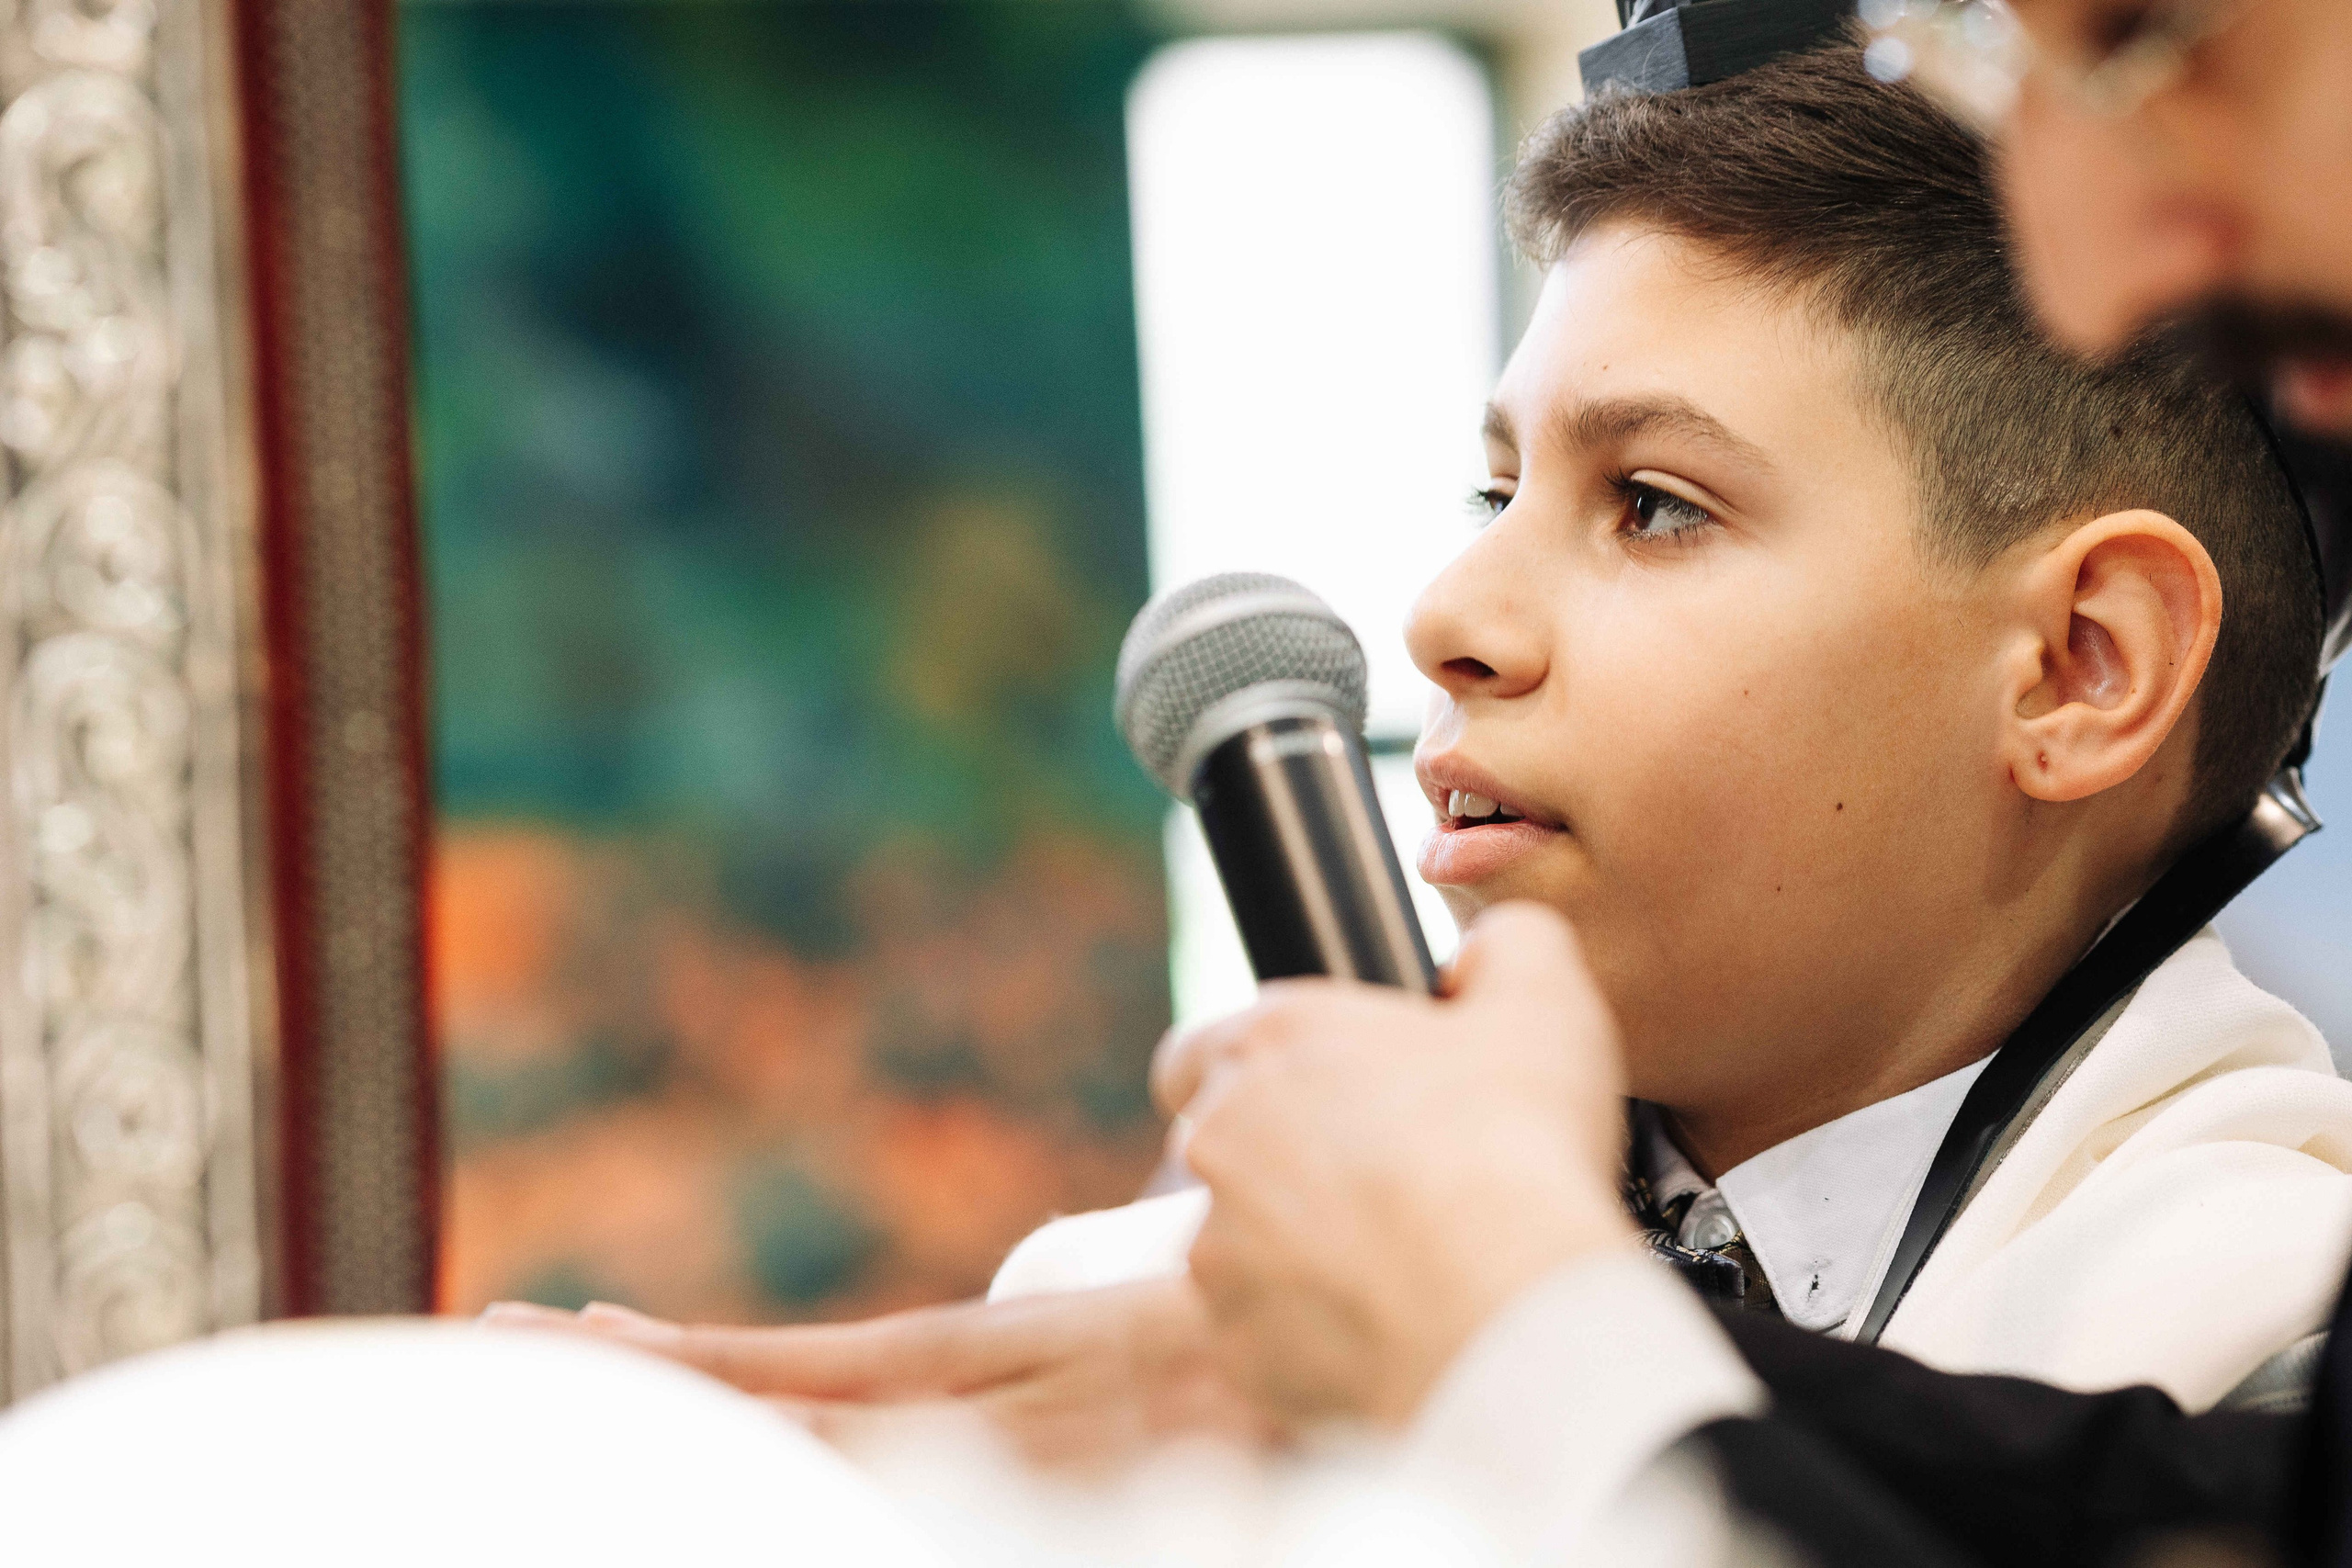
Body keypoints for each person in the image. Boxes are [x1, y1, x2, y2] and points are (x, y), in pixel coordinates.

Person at [494, 40, 2350, 1562]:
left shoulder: (2258, 1326)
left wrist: (1478, 1347)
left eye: (1653, 505)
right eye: (1494, 496)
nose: (1447, 621)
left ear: (2076, 665)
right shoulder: (1167, 1304)